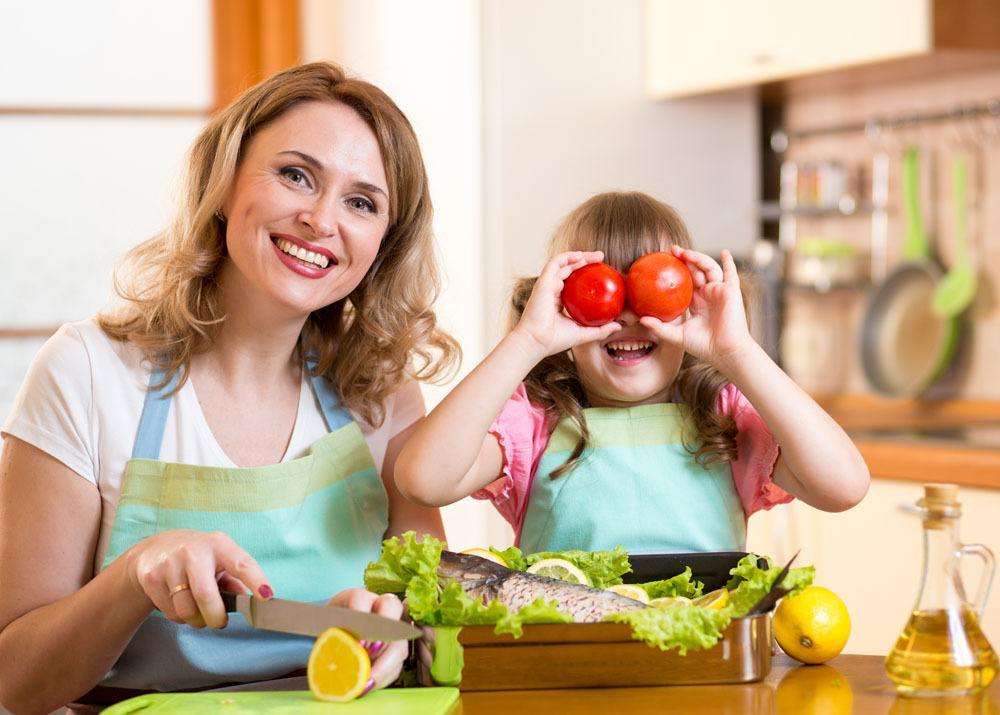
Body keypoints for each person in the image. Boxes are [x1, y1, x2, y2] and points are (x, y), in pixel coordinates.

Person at [0, 62, 458, 712]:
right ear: (223, 184)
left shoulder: (381, 391)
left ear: (382, 242)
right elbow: (15, 678)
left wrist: (391, 633)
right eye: (295, 174)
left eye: (361, 202)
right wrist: (136, 574)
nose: (321, 219)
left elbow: (441, 633)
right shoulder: (86, 373)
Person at [396, 191, 869, 555]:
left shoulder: (724, 419)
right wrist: (529, 341)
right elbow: (422, 479)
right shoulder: (534, 421)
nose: (627, 319)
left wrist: (737, 351)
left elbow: (844, 487)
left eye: (653, 293)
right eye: (599, 295)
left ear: (687, 300)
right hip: (567, 662)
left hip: (704, 667)